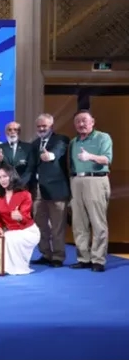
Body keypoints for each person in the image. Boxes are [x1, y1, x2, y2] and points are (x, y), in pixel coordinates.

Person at [68, 110, 113, 272]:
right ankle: (83, 258)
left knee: (98, 222)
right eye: (78, 121)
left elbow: (107, 159)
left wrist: (90, 156)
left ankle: (98, 260)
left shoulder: (103, 137)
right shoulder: (73, 142)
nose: (81, 124)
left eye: (84, 121)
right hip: (76, 181)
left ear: (92, 122)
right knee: (79, 223)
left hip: (96, 180)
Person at [25, 113, 70, 267]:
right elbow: (31, 167)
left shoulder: (61, 139)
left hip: (56, 190)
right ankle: (45, 254)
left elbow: (58, 151)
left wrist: (50, 155)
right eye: (39, 126)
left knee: (57, 226)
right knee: (40, 225)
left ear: (52, 126)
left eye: (44, 126)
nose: (41, 129)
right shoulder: (34, 143)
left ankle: (58, 256)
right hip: (38, 190)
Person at [0, 164, 40, 275]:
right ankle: (6, 267)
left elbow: (26, 219)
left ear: (12, 176)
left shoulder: (25, 194)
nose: (2, 180)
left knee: (9, 237)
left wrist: (20, 217)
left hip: (27, 230)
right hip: (10, 230)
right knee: (5, 237)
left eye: (5, 176)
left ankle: (15, 268)